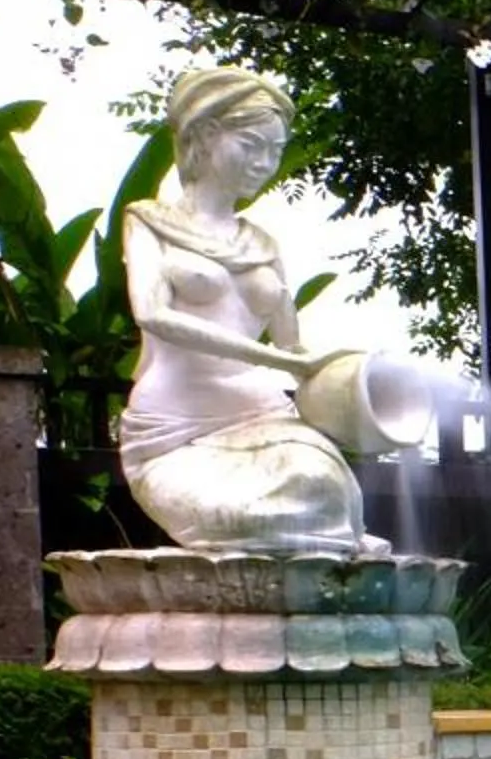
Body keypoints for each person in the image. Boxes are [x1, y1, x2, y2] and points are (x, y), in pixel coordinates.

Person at [118, 67, 384, 553]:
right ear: (204, 134)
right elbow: (152, 314)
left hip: (263, 413)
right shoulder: (148, 222)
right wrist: (286, 363)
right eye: (251, 145)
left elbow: (293, 346)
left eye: (275, 151)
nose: (264, 162)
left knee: (326, 489)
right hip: (177, 424)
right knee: (251, 520)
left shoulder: (262, 242)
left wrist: (351, 379)